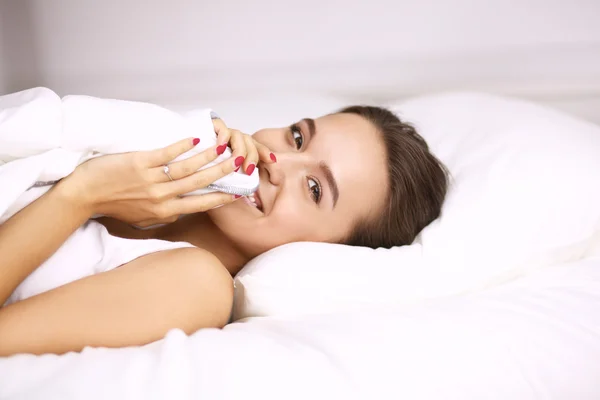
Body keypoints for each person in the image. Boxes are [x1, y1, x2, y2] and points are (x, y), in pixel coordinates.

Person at [0, 104, 448, 356]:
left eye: (314, 188)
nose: (276, 163)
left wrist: (82, 196)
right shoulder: (150, 153)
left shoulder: (195, 284)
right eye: (297, 137)